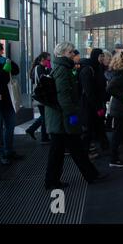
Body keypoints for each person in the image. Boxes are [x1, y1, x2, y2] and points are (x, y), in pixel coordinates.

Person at [44, 42, 103, 190]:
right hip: (62, 119)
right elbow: (64, 97)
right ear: (62, 53)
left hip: (59, 118)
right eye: (70, 52)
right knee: (67, 150)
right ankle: (89, 175)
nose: (73, 54)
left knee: (67, 150)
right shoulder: (63, 70)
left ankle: (89, 175)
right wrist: (72, 117)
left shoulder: (60, 67)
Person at [79, 48, 108, 158]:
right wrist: (97, 107)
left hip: (97, 103)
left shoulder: (98, 68)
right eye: (101, 56)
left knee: (99, 125)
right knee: (88, 129)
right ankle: (85, 152)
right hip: (89, 105)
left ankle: (105, 147)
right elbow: (89, 91)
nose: (102, 58)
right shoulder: (88, 69)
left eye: (103, 56)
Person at [26, 52, 52, 144]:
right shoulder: (38, 68)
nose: (49, 62)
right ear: (42, 59)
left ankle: (32, 130)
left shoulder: (44, 68)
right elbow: (40, 80)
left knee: (44, 116)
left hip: (43, 95)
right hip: (40, 96)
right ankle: (43, 137)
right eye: (48, 60)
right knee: (45, 116)